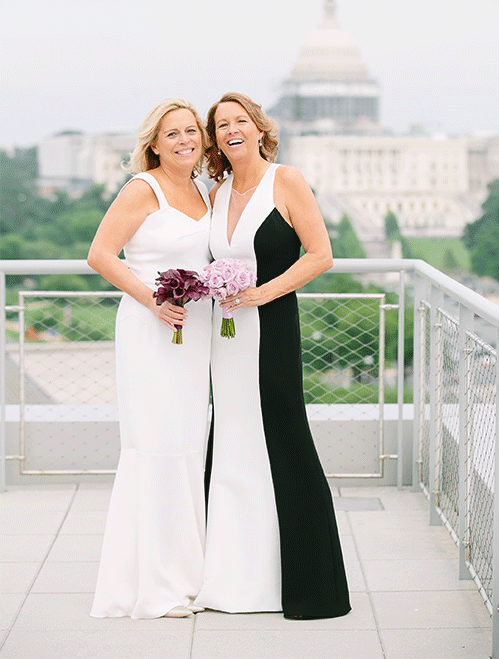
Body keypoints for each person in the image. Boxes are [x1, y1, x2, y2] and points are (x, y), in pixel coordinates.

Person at [193, 91, 350, 620]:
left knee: (283, 438)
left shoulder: (287, 180)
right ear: (214, 139)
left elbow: (322, 255)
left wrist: (264, 292)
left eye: (240, 121)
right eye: (220, 126)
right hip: (224, 335)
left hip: (272, 328)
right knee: (233, 438)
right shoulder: (214, 194)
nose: (230, 131)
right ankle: (232, 575)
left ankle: (308, 584)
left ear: (259, 128)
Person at [88, 99, 213, 619]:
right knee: (156, 446)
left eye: (191, 131)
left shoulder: (205, 191)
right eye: (173, 133)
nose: (185, 139)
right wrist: (151, 301)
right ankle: (154, 586)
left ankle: (188, 575)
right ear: (155, 144)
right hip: (150, 329)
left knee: (188, 445)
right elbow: (100, 254)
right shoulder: (144, 189)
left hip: (196, 333)